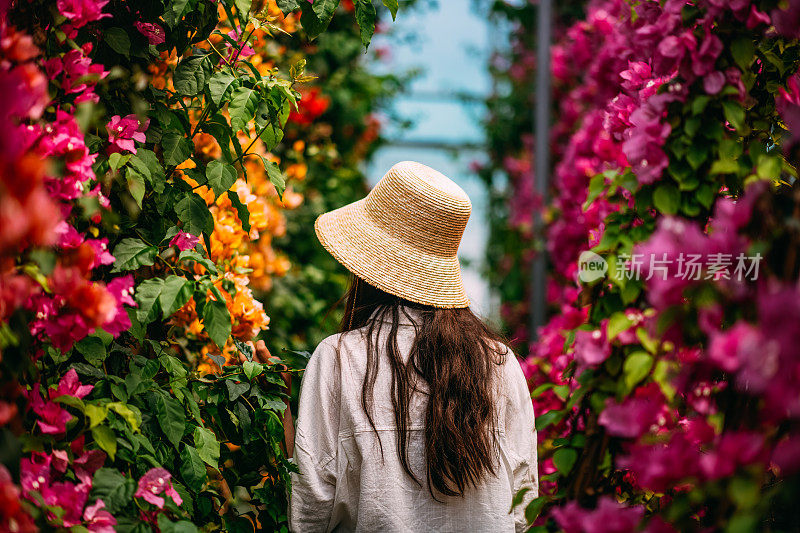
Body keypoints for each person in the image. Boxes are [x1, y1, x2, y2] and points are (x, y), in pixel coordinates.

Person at [270, 161, 538, 532]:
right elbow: (523, 504)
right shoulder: (500, 362)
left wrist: (281, 412)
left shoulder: (338, 359)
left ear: (368, 262)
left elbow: (310, 512)